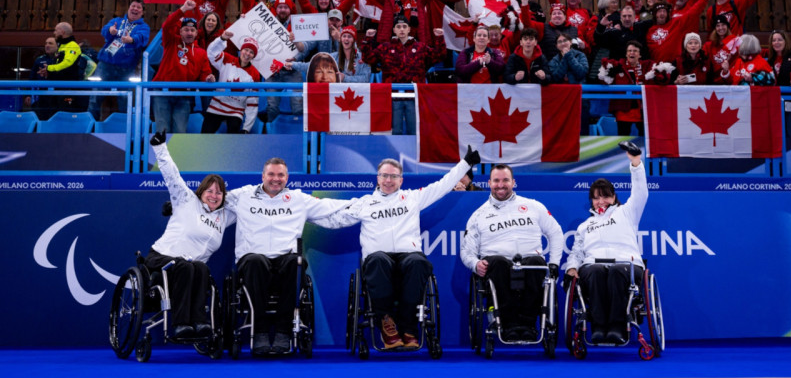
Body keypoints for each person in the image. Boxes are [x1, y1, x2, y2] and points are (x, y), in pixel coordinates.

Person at [312, 146, 481, 349]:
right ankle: (386, 322)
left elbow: (443, 185)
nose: (389, 180)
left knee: (419, 262)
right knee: (377, 259)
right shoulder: (364, 203)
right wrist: (305, 215)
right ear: (378, 178)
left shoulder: (412, 198)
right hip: (378, 260)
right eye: (384, 175)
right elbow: (334, 220)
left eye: (394, 177)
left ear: (401, 180)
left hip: (407, 257)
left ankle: (409, 326)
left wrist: (465, 163)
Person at [224, 158, 354, 355]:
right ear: (263, 176)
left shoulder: (298, 199)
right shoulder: (242, 195)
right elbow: (211, 200)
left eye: (281, 175)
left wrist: (366, 206)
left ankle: (284, 332)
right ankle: (258, 331)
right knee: (254, 260)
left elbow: (330, 205)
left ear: (287, 178)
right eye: (271, 174)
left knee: (296, 262)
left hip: (286, 259)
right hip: (253, 259)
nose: (276, 179)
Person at [146, 130, 236, 339]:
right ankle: (180, 324)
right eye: (210, 191)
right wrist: (160, 148)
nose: (214, 196)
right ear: (201, 191)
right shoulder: (186, 199)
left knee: (201, 268)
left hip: (192, 267)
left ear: (224, 196)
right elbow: (172, 176)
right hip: (162, 257)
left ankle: (199, 322)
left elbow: (249, 203)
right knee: (186, 266)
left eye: (219, 192)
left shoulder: (225, 216)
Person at [461, 163, 564, 339]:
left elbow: (555, 232)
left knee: (537, 263)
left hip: (530, 263)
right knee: (498, 262)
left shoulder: (533, 206)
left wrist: (554, 263)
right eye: (496, 180)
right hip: (497, 266)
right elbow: (466, 251)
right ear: (489, 183)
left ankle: (528, 324)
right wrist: (475, 264)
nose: (501, 185)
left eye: (505, 180)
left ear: (513, 182)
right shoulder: (478, 215)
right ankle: (508, 325)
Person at [565, 141, 648, 345]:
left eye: (604, 196)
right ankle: (599, 328)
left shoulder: (627, 212)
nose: (600, 201)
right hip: (594, 265)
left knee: (617, 271)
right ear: (591, 201)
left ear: (613, 197)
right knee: (593, 271)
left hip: (626, 265)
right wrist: (572, 267)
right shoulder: (585, 225)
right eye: (595, 198)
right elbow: (576, 252)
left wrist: (636, 163)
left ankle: (618, 327)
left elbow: (640, 193)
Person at [361, 15, 446, 135]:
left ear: (409, 29)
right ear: (394, 30)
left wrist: (439, 38)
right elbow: (368, 58)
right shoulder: (385, 47)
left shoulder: (420, 47)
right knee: (395, 131)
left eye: (404, 26)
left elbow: (439, 56)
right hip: (393, 97)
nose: (401, 29)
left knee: (414, 131)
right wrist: (368, 39)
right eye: (398, 26)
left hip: (414, 96)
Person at [152, 0, 215, 133]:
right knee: (162, 130)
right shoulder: (171, 42)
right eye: (186, 29)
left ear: (197, 33)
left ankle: (175, 155)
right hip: (163, 92)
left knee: (180, 132)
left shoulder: (201, 53)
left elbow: (205, 74)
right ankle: (161, 155)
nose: (189, 33)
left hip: (184, 96)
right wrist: (183, 9)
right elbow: (167, 25)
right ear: (180, 32)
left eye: (192, 30)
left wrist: (209, 78)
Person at [89, 0, 150, 120]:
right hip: (105, 65)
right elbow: (104, 30)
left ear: (142, 12)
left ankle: (125, 129)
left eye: (139, 7)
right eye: (133, 6)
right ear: (128, 8)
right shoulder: (117, 21)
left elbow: (142, 38)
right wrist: (110, 31)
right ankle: (91, 127)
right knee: (95, 96)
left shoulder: (144, 27)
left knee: (125, 100)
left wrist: (131, 40)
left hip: (126, 69)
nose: (135, 9)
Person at [599, 40, 668, 136]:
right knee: (623, 137)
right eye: (629, 51)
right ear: (626, 54)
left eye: (635, 51)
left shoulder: (648, 65)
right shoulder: (617, 66)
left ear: (640, 55)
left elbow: (663, 80)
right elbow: (604, 82)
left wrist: (659, 74)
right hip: (623, 108)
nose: (632, 53)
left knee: (644, 137)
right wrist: (607, 72)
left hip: (643, 109)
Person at [202, 32, 261, 134]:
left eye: (251, 52)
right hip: (217, 106)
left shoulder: (255, 74)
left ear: (253, 56)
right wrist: (222, 39)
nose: (247, 54)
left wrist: (246, 128)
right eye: (246, 50)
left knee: (232, 139)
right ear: (241, 50)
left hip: (236, 111)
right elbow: (211, 53)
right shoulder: (227, 59)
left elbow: (253, 101)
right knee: (204, 136)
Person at [644, 0, 713, 63]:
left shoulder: (676, 23)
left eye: (664, 11)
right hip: (657, 67)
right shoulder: (650, 30)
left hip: (675, 66)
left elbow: (693, 12)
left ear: (668, 14)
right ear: (655, 14)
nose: (662, 14)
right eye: (659, 12)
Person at [287, 26, 371, 83]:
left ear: (354, 40)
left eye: (349, 37)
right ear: (341, 39)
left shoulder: (363, 58)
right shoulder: (333, 57)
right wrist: (292, 64)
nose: (346, 39)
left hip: (358, 97)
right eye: (344, 36)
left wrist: (345, 78)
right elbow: (312, 65)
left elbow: (365, 78)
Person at [35, 22, 84, 119]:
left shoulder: (72, 46)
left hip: (68, 90)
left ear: (62, 31)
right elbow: (60, 68)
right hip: (58, 89)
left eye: (56, 30)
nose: (54, 32)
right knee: (54, 117)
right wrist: (48, 73)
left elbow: (67, 64)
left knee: (66, 118)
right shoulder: (62, 46)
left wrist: (49, 68)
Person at [766, 30, 791, 138]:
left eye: (780, 40)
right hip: (774, 102)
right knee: (777, 133)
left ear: (786, 41)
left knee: (790, 131)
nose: (777, 42)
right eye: (774, 40)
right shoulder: (770, 60)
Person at [702, 15, 741, 80]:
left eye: (723, 25)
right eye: (718, 26)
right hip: (713, 81)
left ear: (727, 27)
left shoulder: (735, 43)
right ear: (715, 29)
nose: (721, 28)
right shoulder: (708, 46)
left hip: (730, 79)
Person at [26, 36, 58, 112]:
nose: (47, 45)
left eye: (50, 43)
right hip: (40, 95)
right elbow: (32, 77)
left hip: (57, 95)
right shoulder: (39, 60)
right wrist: (28, 94)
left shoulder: (62, 60)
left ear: (57, 46)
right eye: (46, 43)